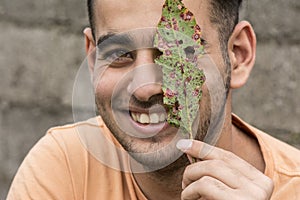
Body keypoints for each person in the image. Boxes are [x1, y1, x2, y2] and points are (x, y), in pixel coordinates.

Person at [7, 0, 300, 199]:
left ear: (238, 55)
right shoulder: (65, 169)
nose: (144, 88)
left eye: (175, 54)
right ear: (93, 61)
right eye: (120, 55)